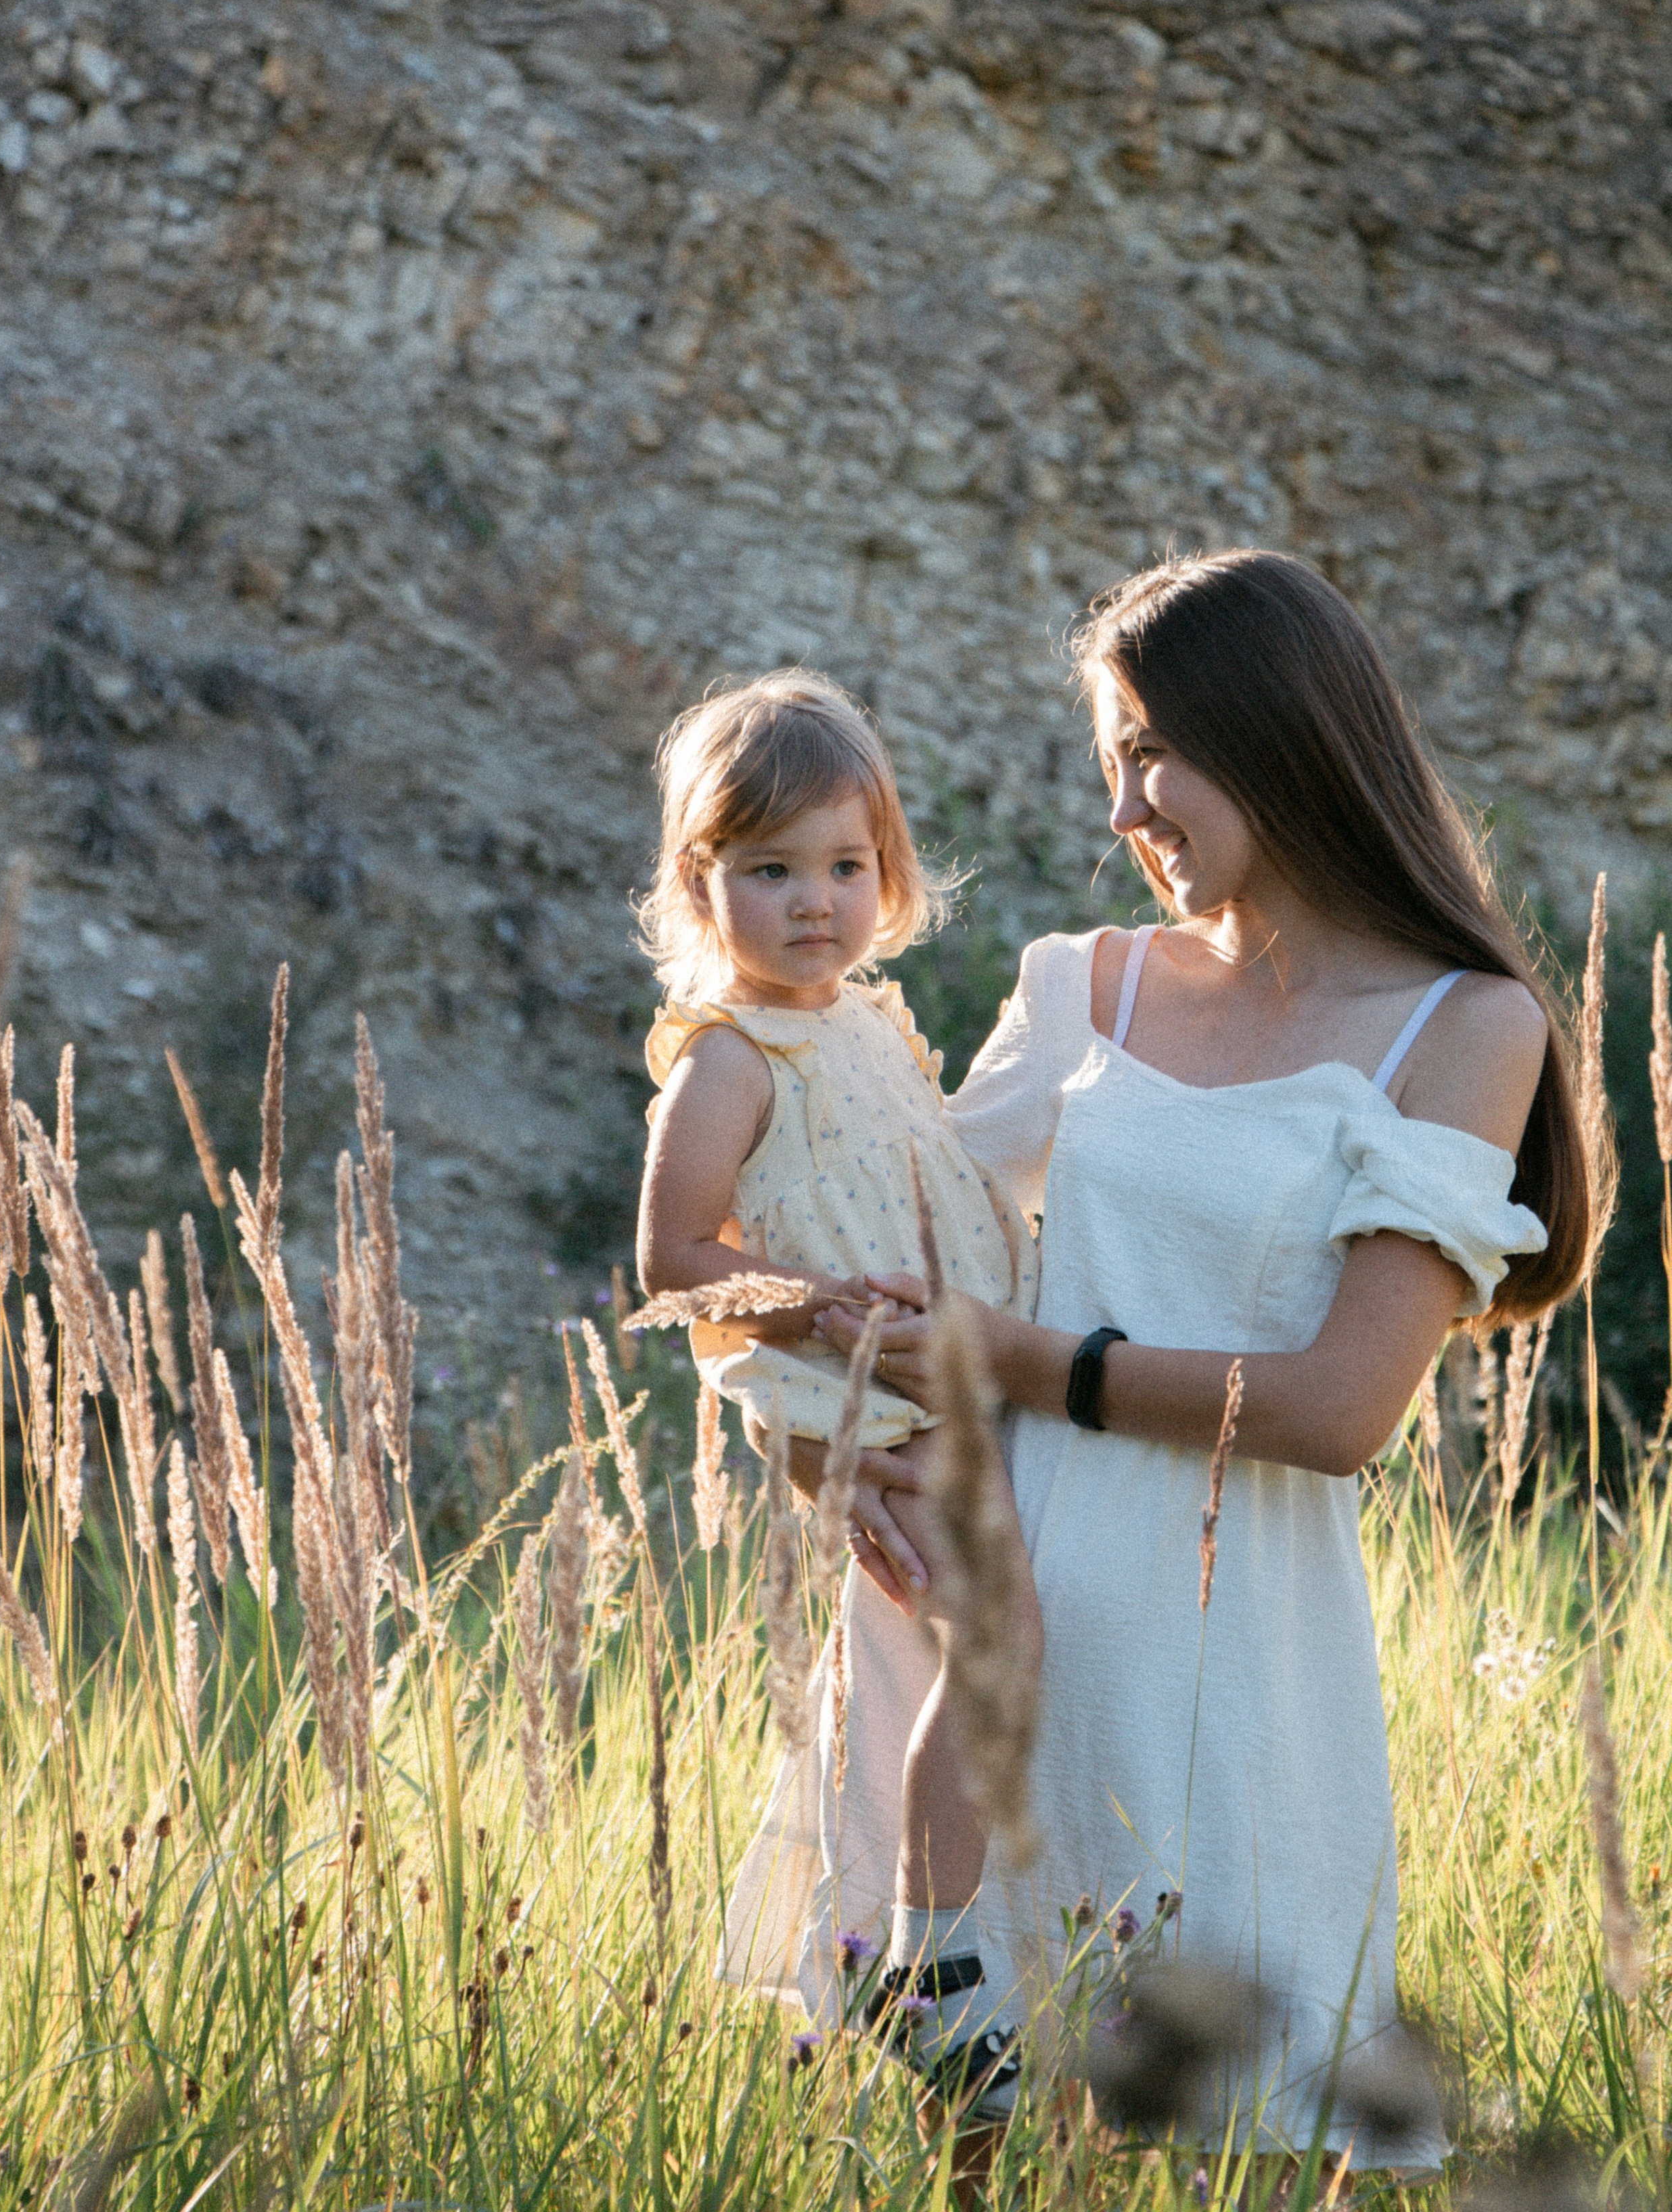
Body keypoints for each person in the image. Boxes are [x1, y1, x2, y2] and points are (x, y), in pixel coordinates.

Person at [816, 549, 1592, 2173]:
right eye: (1110, 764)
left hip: (1233, 1671)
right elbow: (880, 1260)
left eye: (1149, 754)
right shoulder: (1078, 987)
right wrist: (835, 1439)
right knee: (983, 2149)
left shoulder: (1461, 1027)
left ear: (1273, 729)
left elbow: (1333, 1408)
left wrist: (1011, 1358)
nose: (1121, 810)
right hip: (1002, 1640)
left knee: (1237, 2145)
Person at [634, 668, 1043, 2120]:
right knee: (996, 1641)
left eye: (845, 867)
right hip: (874, 1408)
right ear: (701, 882)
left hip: (958, 1396)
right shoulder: (730, 1060)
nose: (814, 901)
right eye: (770, 871)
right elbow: (674, 1259)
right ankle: (919, 1959)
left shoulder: (871, 1025)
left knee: (971, 1659)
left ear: (889, 875)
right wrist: (820, 1307)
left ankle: (941, 1945)